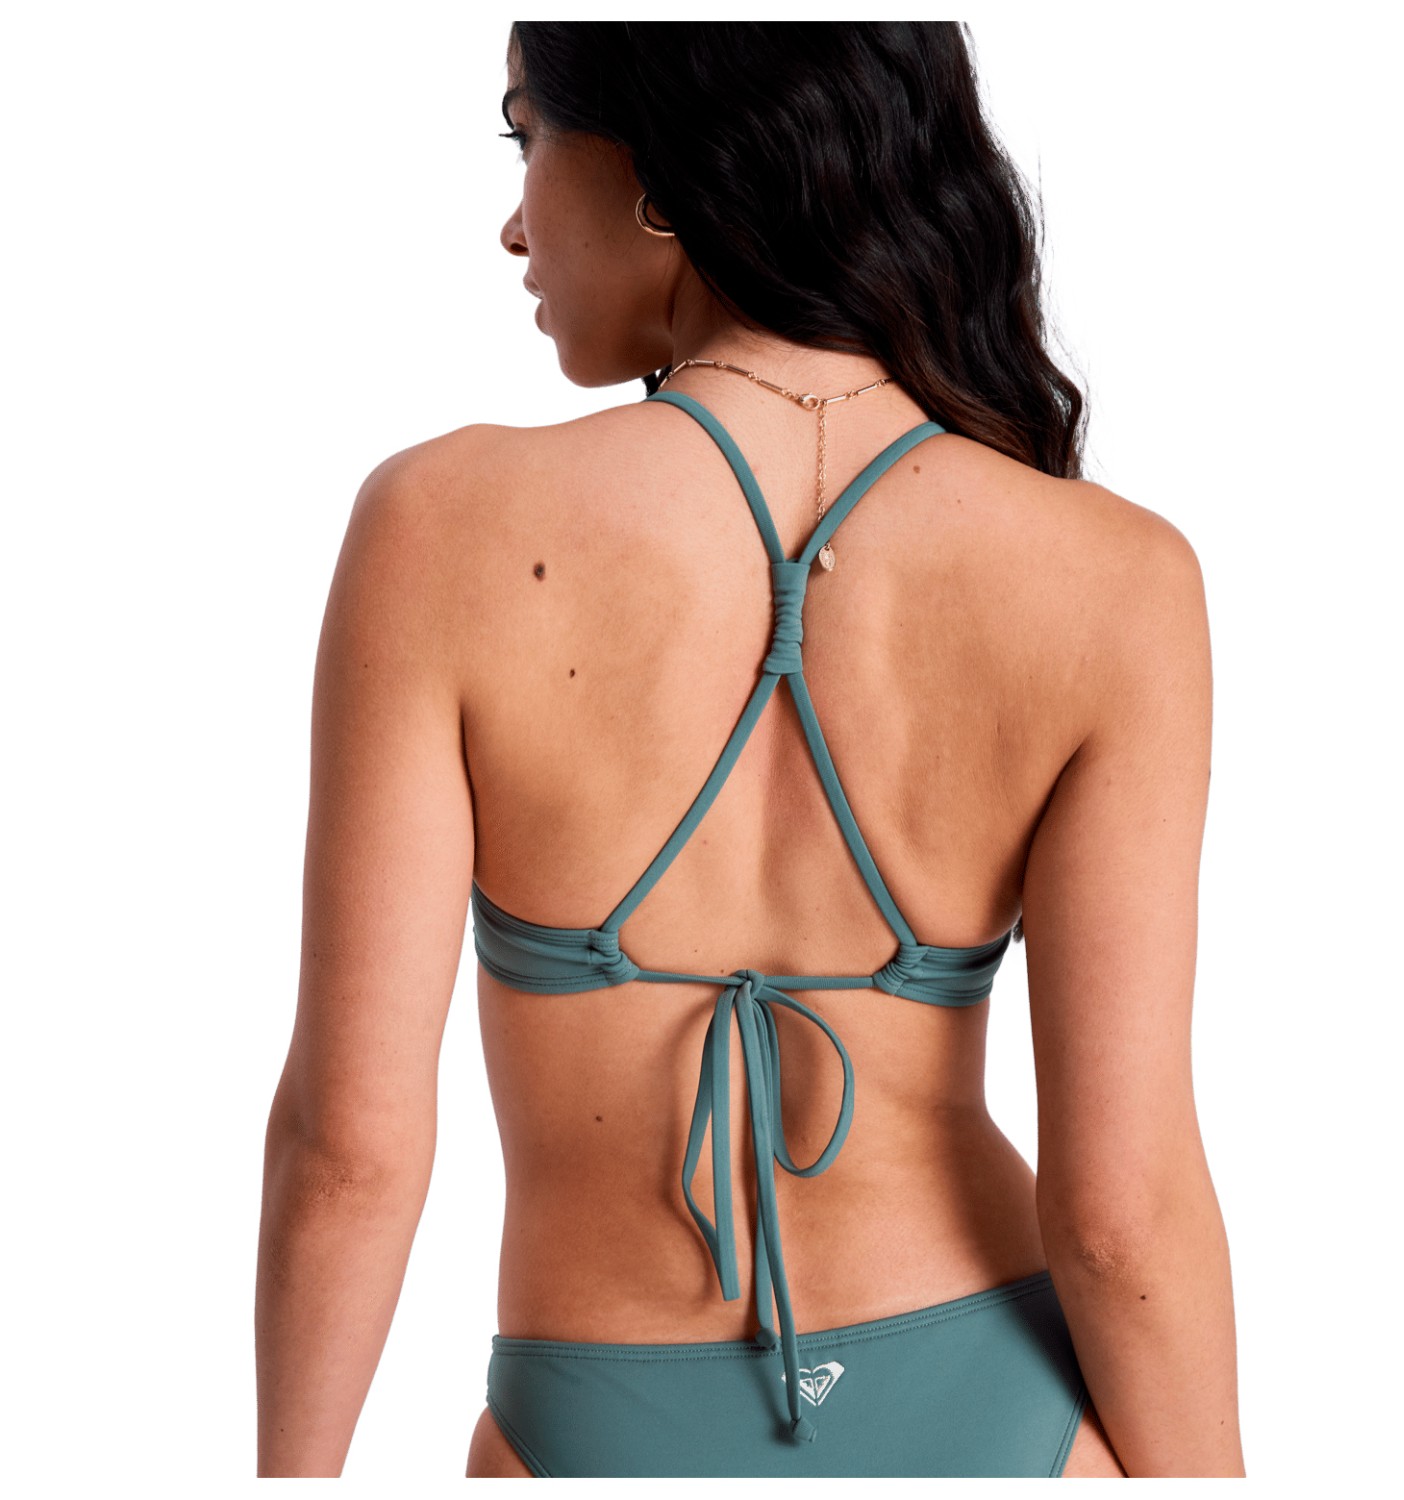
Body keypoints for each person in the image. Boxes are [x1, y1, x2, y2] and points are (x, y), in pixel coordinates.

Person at [255, 20, 1243, 1479]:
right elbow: (1122, 1213)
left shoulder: (439, 528)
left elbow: (349, 1153)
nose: (515, 223)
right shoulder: (1118, 578)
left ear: (658, 176)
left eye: (525, 134)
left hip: (597, 1408)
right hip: (999, 1401)